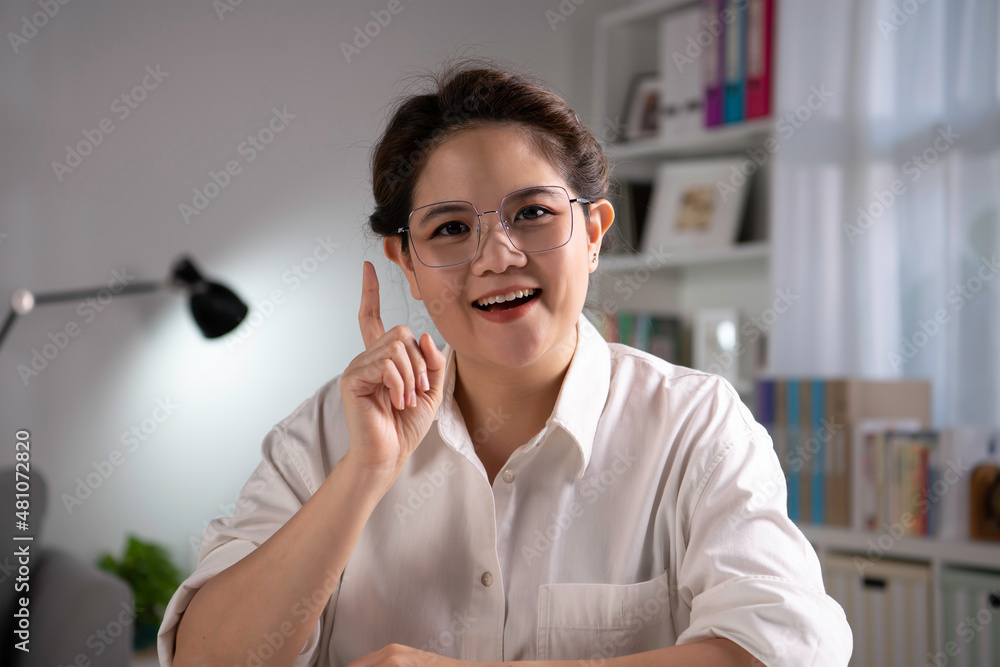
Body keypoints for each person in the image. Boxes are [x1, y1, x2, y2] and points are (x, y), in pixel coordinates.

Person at [159, 58, 853, 666]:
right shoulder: (323, 436)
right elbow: (208, 658)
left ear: (593, 233)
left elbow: (787, 647)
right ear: (406, 261)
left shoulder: (693, 424)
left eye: (532, 213)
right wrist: (363, 473)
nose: (498, 257)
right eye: (452, 228)